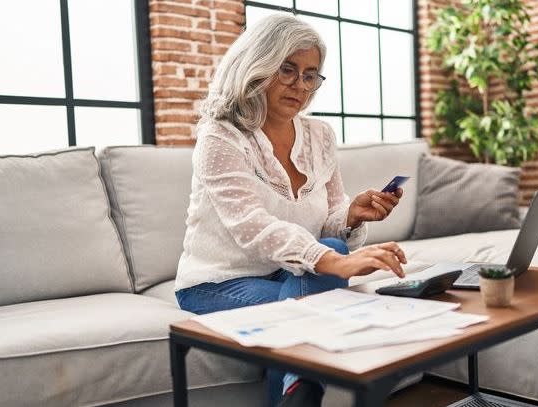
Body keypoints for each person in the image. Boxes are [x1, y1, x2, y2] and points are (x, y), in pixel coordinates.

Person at [174, 14, 407, 407]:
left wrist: (351, 215)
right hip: (219, 283)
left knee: (330, 247)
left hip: (292, 271)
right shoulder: (221, 136)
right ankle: (306, 392)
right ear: (258, 65)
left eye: (311, 75)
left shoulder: (320, 136)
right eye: (288, 70)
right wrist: (335, 262)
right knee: (315, 308)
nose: (300, 85)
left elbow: (328, 219)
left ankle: (297, 396)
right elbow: (253, 227)